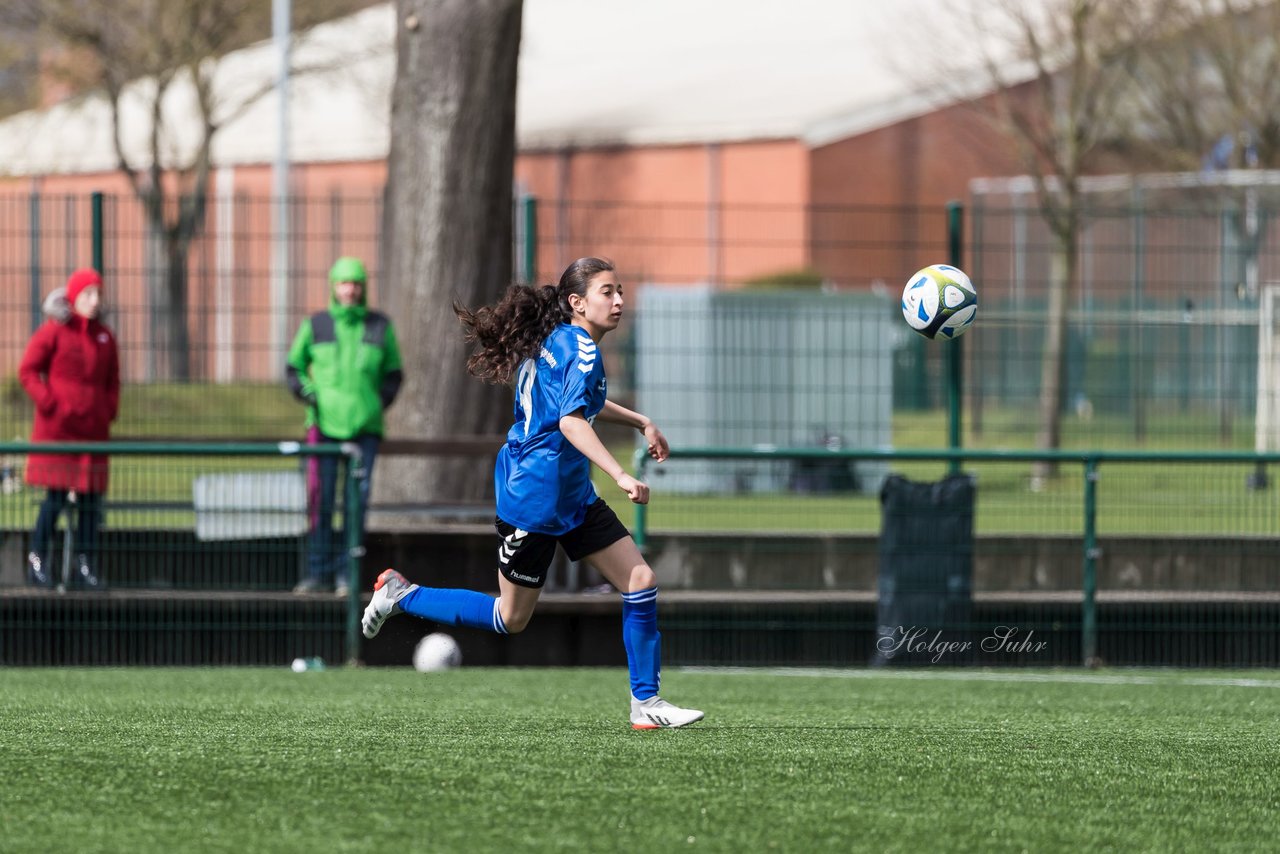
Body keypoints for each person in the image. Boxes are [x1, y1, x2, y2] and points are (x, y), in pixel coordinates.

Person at [361, 257, 704, 730]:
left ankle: (646, 704)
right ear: (576, 303)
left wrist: (641, 421)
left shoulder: (562, 340)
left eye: (620, 290)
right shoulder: (580, 349)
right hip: (535, 499)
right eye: (608, 292)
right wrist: (621, 475)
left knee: (640, 580)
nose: (620, 300)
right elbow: (570, 419)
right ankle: (402, 595)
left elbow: (582, 401)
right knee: (510, 618)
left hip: (571, 495)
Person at [286, 256, 403, 596]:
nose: (349, 289)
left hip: (364, 430)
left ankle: (345, 576)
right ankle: (316, 573)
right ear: (333, 286)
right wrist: (308, 394)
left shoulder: (380, 326)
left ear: (362, 287)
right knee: (320, 501)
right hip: (323, 427)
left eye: (355, 283)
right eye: (343, 283)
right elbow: (294, 367)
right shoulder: (317, 324)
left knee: (356, 504)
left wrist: (375, 403)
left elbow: (394, 374)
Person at [19, 268, 120, 589]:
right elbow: (28, 370)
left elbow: (112, 382)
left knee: (91, 502)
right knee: (55, 499)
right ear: (74, 297)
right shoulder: (54, 332)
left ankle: (85, 567)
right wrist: (50, 405)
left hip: (93, 435)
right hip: (59, 433)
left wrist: (107, 410)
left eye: (97, 295)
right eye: (87, 294)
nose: (93, 301)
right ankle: (37, 562)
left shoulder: (105, 337)